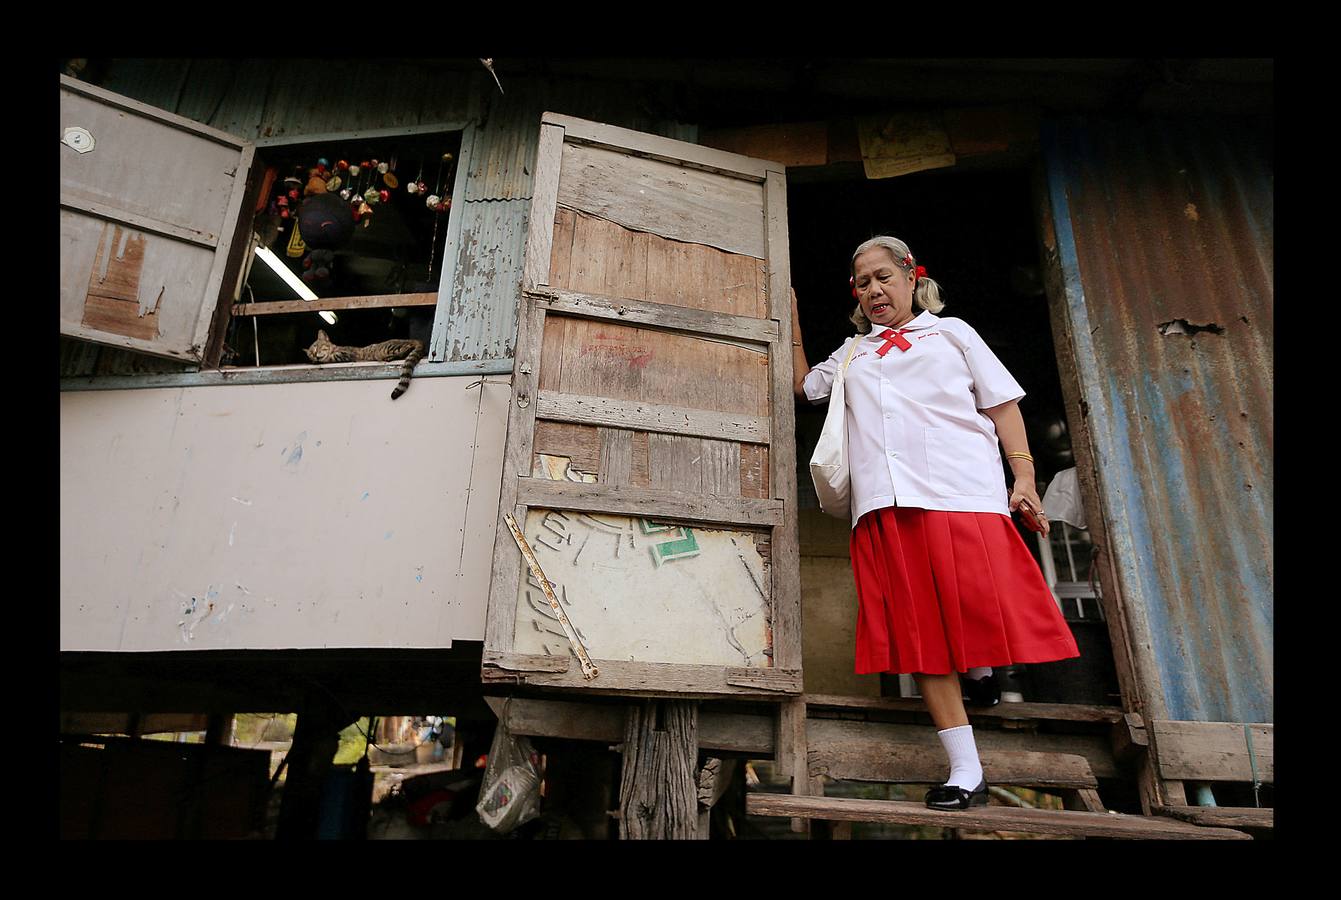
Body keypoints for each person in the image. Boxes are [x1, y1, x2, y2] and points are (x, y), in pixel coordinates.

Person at [791, 236, 1080, 811]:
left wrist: (1023, 479)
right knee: (919, 633)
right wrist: (789, 316)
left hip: (961, 493)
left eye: (883, 278)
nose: (873, 290)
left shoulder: (954, 334)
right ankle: (965, 768)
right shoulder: (851, 354)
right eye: (862, 283)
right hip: (885, 506)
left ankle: (978, 669)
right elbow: (803, 387)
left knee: (975, 600)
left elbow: (1002, 406)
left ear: (911, 277)